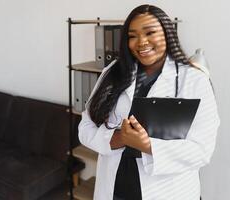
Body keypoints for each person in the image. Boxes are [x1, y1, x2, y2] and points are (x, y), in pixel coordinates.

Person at [78, 4, 220, 200]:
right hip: (115, 189)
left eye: (150, 32)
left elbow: (202, 150)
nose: (141, 42)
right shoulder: (112, 73)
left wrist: (148, 145)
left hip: (169, 192)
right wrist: (117, 138)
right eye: (132, 36)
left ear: (168, 35)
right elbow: (85, 127)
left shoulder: (194, 80)